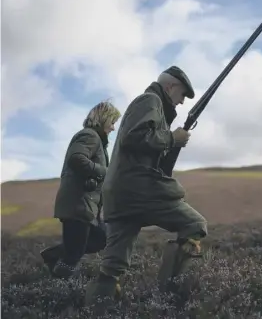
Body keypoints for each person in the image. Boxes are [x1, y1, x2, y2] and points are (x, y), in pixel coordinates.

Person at [84, 66, 208, 306]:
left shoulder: (151, 106)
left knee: (113, 265)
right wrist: (173, 138)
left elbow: (141, 144)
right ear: (169, 87)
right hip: (138, 190)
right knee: (194, 224)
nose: (182, 102)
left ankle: (94, 315)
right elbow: (135, 138)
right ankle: (168, 295)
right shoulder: (150, 100)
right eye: (181, 94)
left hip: (120, 194)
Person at [40, 100, 121, 279]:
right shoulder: (89, 136)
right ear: (103, 118)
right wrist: (104, 172)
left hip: (87, 207)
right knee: (73, 254)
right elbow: (76, 159)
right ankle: (58, 286)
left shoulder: (97, 140)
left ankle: (53, 255)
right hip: (78, 204)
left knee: (101, 239)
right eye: (112, 122)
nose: (113, 127)